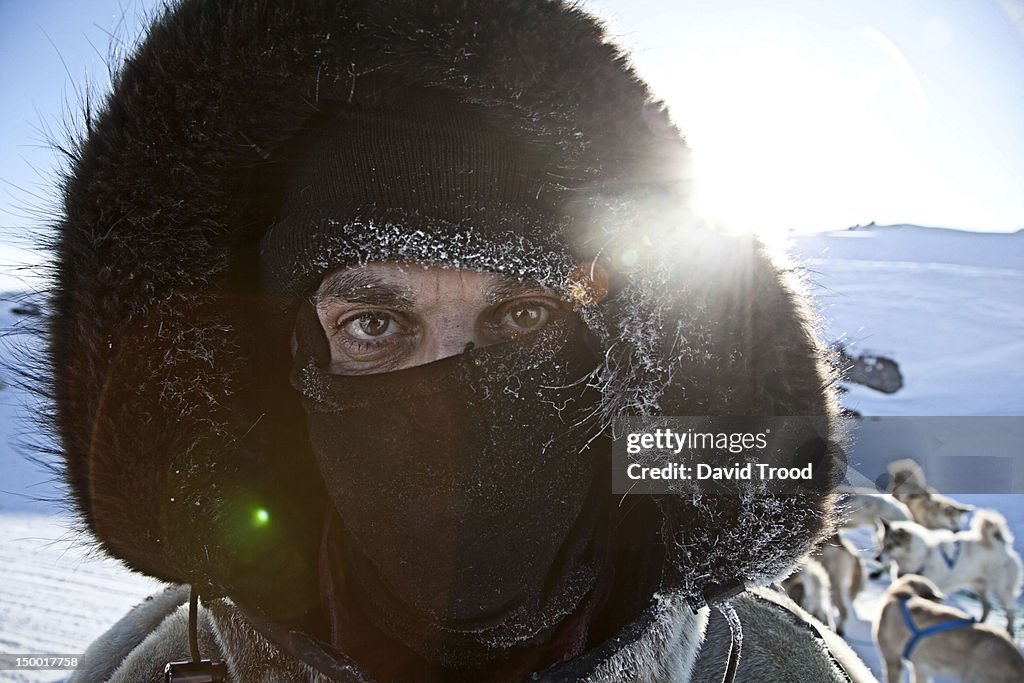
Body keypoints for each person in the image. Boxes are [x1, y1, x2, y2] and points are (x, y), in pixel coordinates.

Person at [49, 0, 875, 680]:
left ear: (618, 351)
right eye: (375, 324)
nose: (451, 401)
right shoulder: (145, 670)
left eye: (523, 318)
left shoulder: (786, 669)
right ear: (287, 371)